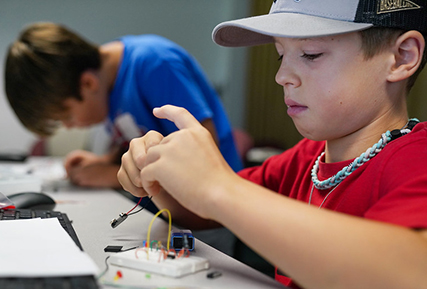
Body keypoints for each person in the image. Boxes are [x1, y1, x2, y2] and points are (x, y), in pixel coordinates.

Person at [117, 1, 427, 288]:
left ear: (402, 57)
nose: (281, 76)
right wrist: (159, 174)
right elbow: (204, 211)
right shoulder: (307, 158)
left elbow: (411, 268)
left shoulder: (416, 157)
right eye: (281, 55)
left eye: (311, 54)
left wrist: (218, 188)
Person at [5, 22, 243, 189]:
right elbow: (138, 142)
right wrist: (105, 161)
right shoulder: (106, 87)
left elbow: (201, 152)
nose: (69, 126)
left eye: (66, 115)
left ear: (87, 83)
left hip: (208, 216)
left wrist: (112, 176)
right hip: (163, 210)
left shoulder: (153, 63)